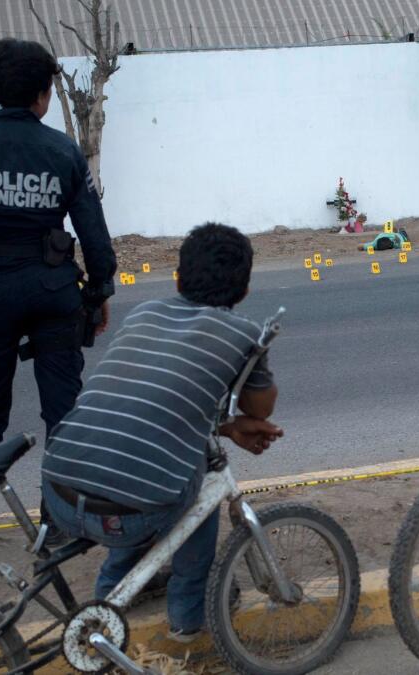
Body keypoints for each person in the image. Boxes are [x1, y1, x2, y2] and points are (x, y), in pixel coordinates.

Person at [42, 222, 283, 641]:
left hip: (58, 492)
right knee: (199, 486)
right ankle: (190, 617)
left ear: (177, 277)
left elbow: (147, 406)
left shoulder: (145, 312)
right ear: (243, 290)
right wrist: (239, 418)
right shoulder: (243, 333)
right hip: (125, 515)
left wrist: (224, 427)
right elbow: (262, 408)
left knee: (143, 465)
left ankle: (110, 594)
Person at [0, 39, 117, 554]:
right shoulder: (63, 150)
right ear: (43, 94)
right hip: (54, 291)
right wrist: (98, 292)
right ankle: (58, 528)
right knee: (63, 412)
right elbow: (94, 235)